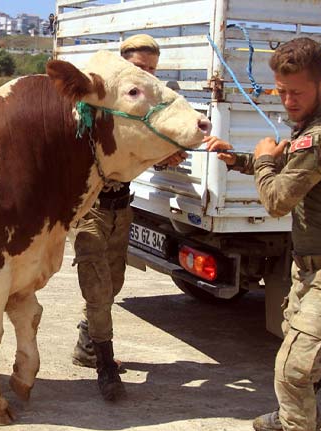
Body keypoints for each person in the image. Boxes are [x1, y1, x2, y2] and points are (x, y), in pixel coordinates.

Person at [206, 37, 321, 431]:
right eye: (281, 92)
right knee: (300, 355)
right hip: (309, 270)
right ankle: (301, 416)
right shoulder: (310, 124)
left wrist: (260, 160)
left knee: (293, 367)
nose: (288, 101)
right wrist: (241, 159)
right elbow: (293, 166)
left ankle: (299, 424)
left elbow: (277, 199)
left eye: (297, 92)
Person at [71, 34, 186, 401]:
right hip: (93, 207)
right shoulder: (97, 106)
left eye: (152, 69)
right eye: (139, 68)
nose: (146, 75)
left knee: (114, 282)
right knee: (99, 290)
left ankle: (87, 344)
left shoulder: (148, 109)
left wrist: (165, 154)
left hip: (123, 207)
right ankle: (105, 365)